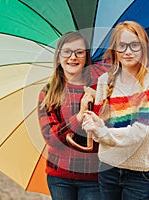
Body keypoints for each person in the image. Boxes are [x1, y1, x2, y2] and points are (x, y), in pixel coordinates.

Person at [82, 21, 149, 200]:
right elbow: (99, 131)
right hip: (108, 167)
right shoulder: (105, 81)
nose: (128, 51)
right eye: (122, 46)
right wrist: (93, 123)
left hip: (138, 173)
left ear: (144, 48)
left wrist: (102, 132)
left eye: (134, 45)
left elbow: (140, 132)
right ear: (114, 49)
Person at [38, 31, 100, 200]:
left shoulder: (98, 89)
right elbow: (51, 137)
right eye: (67, 52)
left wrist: (100, 104)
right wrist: (79, 116)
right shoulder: (49, 92)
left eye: (79, 52)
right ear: (58, 57)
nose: (73, 57)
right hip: (59, 176)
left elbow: (106, 131)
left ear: (86, 57)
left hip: (93, 176)